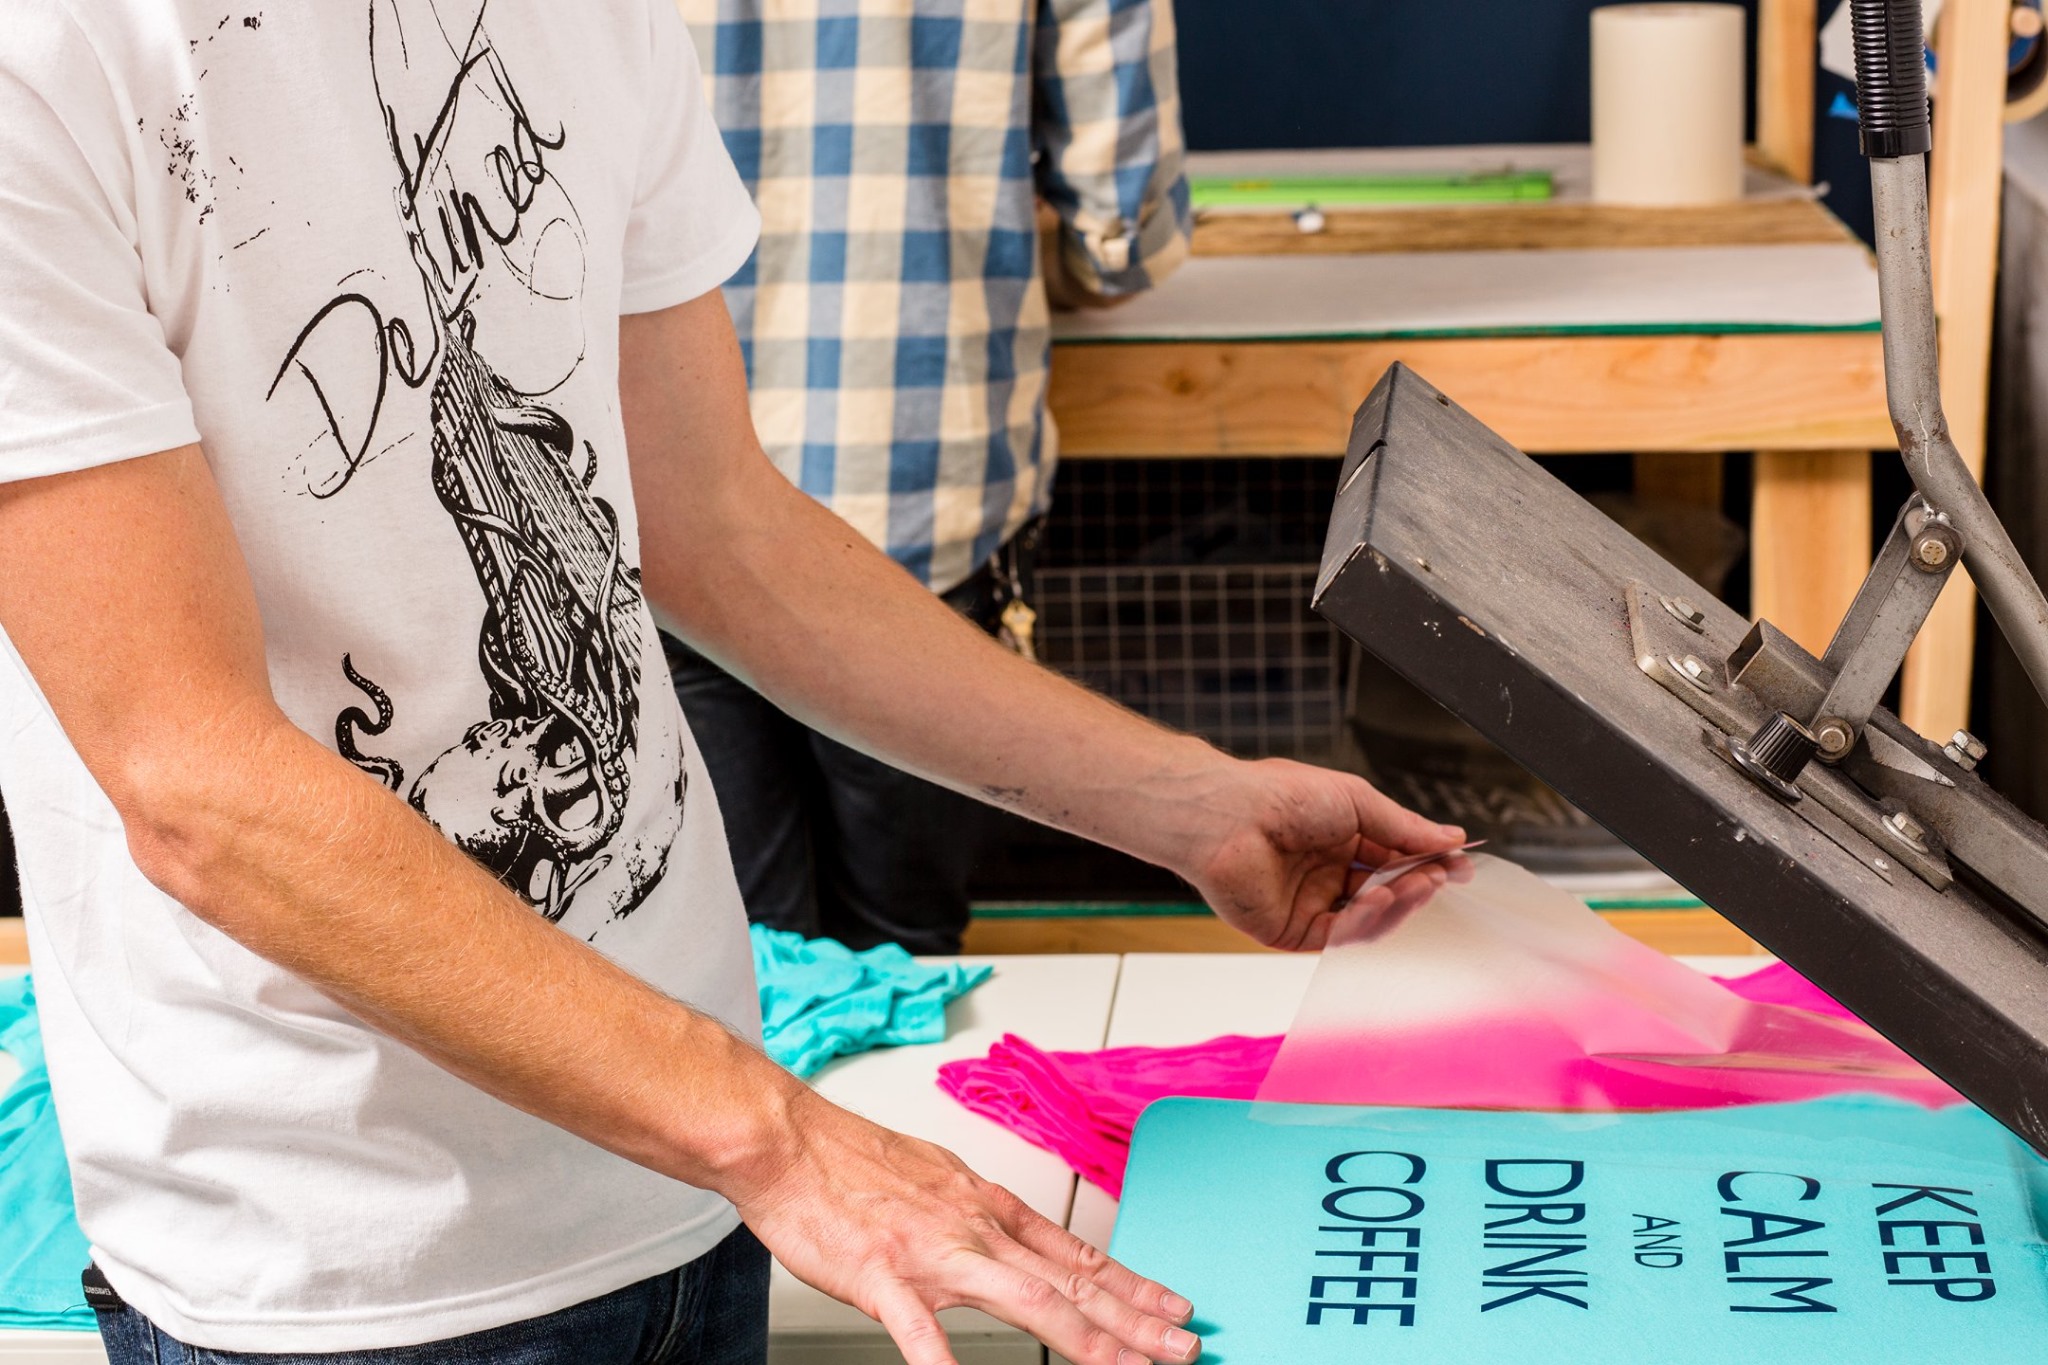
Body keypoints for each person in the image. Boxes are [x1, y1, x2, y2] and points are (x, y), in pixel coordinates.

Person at [0, 4, 1465, 1364]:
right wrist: (781, 1139)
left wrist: (1186, 804)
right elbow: (200, 787)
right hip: (350, 1269)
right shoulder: (46, 60)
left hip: (686, 1197)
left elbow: (721, 525)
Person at [664, 0, 1191, 954]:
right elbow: (1122, 235)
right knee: (904, 953)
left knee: (736, 961)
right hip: (915, 488)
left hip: (666, 512)